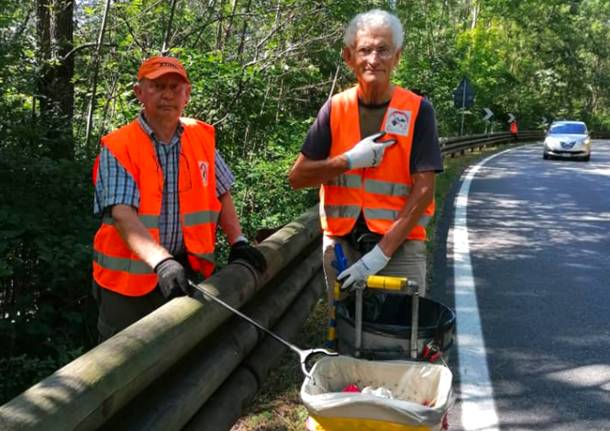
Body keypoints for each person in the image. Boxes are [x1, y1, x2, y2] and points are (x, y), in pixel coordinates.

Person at [92, 55, 266, 342]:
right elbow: (122, 214)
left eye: (175, 87)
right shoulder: (119, 146)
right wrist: (162, 262)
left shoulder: (200, 136)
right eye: (158, 86)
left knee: (182, 351)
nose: (168, 94)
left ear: (187, 94)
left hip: (185, 271)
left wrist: (238, 241)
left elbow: (221, 191)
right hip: (127, 286)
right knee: (123, 362)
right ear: (139, 93)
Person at [288, 9, 442, 310]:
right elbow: (298, 177)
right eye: (365, 50)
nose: (374, 59)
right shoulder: (335, 108)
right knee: (346, 338)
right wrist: (346, 160)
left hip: (399, 250)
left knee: (398, 340)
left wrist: (380, 255)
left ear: (397, 56)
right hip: (341, 245)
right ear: (349, 57)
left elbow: (424, 190)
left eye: (383, 50)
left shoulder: (418, 110)